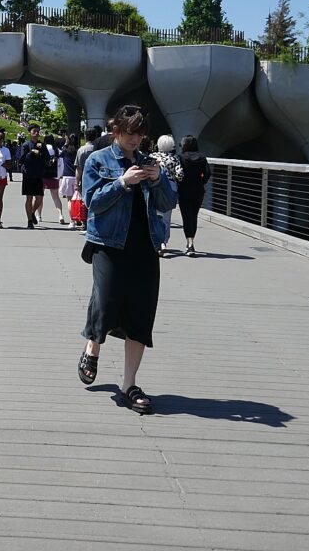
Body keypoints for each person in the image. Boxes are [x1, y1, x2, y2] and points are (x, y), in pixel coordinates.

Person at [77, 105, 176, 416]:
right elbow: (91, 202)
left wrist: (159, 179)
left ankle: (129, 385)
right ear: (116, 131)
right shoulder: (98, 160)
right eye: (129, 133)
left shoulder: (150, 162)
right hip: (108, 243)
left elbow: (168, 202)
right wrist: (122, 182)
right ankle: (93, 347)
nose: (135, 139)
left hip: (145, 245)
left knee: (140, 314)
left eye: (140, 134)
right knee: (106, 303)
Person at [178, 135, 211, 257]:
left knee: (186, 217)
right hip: (198, 190)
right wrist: (201, 182)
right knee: (194, 215)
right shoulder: (202, 157)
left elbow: (178, 173)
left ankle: (189, 243)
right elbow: (207, 173)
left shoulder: (181, 157)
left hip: (184, 190)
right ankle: (191, 241)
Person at [154, 135, 184, 256]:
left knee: (155, 215)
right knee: (166, 217)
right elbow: (180, 174)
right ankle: (164, 242)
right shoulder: (174, 158)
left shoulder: (153, 157)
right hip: (170, 187)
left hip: (155, 186)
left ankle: (156, 240)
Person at [19, 124, 47, 229]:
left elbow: (47, 158)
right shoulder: (26, 145)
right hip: (28, 174)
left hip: (38, 174)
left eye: (38, 131)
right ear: (30, 133)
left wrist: (41, 154)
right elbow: (21, 160)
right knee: (29, 197)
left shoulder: (42, 145)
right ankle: (29, 220)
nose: (36, 133)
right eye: (34, 131)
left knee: (39, 198)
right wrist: (31, 152)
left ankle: (32, 212)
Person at [42, 133, 65, 224]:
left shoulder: (43, 149)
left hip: (43, 176)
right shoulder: (57, 150)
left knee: (40, 196)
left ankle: (38, 215)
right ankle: (60, 215)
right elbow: (61, 165)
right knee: (55, 197)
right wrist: (58, 176)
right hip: (54, 176)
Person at [60, 133, 80, 229]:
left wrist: (65, 144)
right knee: (79, 200)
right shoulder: (78, 151)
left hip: (67, 176)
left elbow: (58, 156)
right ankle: (79, 218)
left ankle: (72, 221)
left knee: (70, 200)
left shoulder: (65, 151)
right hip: (77, 176)